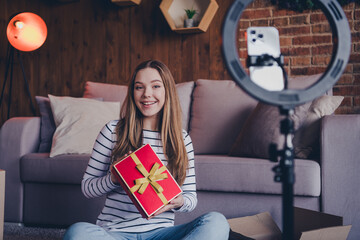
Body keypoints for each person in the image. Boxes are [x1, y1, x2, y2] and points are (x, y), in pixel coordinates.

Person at [63, 60, 230, 240]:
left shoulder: (181, 139)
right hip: (115, 234)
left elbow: (191, 198)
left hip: (162, 234)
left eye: (156, 86)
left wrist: (179, 201)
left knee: (217, 221)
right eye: (139, 87)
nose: (146, 94)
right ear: (132, 92)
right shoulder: (113, 131)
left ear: (167, 91)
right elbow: (87, 188)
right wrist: (114, 177)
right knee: (77, 232)